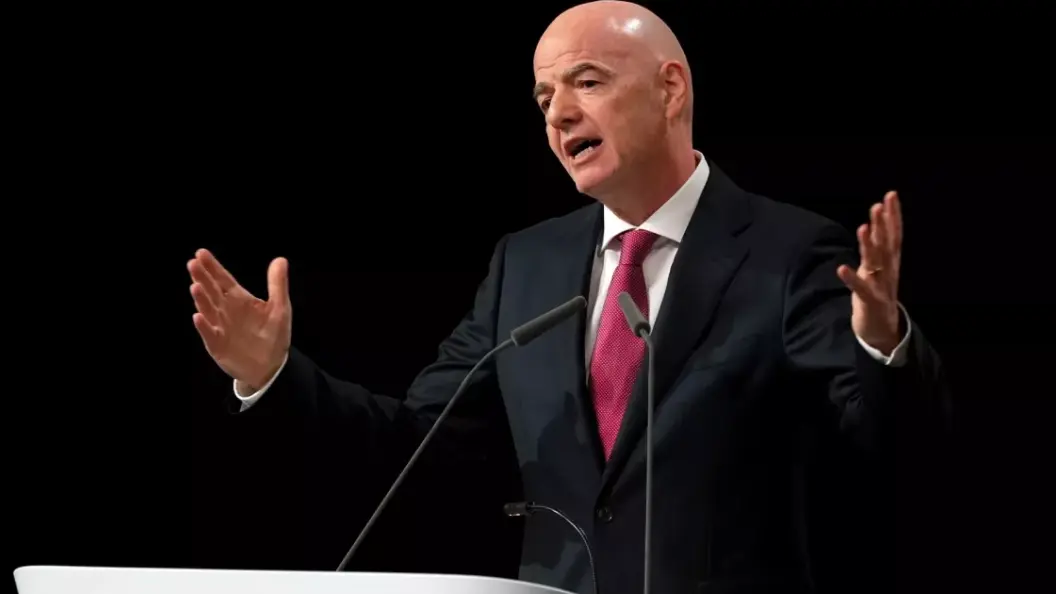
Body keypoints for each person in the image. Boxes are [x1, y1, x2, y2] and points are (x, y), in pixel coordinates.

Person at [188, 1, 951, 592]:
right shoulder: (527, 266)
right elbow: (414, 449)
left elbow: (894, 447)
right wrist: (275, 376)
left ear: (670, 89)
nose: (557, 114)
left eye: (586, 82)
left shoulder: (787, 253)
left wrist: (882, 342)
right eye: (544, 96)